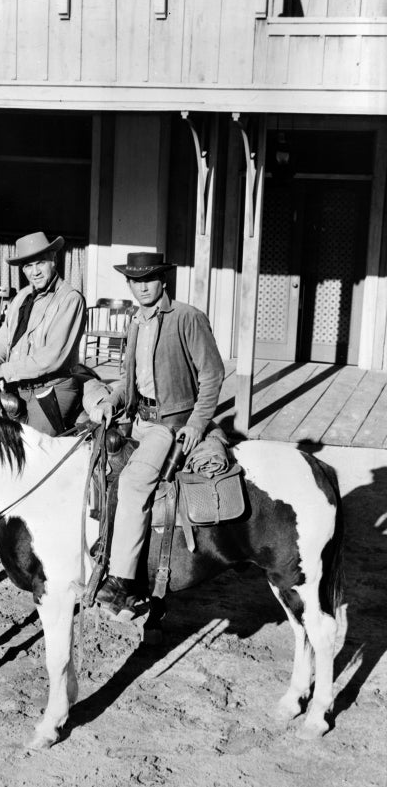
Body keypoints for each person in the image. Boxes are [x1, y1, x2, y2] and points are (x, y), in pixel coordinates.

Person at [89, 251, 226, 614]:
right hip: (137, 416)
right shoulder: (135, 322)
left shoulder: (187, 318)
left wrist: (197, 423)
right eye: (135, 280)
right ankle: (104, 548)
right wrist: (110, 402)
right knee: (96, 467)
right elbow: (127, 378)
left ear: (163, 281)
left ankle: (122, 582)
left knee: (134, 482)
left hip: (170, 423)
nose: (142, 286)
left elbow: (212, 375)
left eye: (149, 279)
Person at [0, 231, 86, 435]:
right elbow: (3, 337)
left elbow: (52, 357)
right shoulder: (22, 297)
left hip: (51, 389)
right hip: (18, 385)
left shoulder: (70, 299)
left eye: (40, 262)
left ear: (54, 260)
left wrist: (2, 371)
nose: (34, 272)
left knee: (32, 450)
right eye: (28, 265)